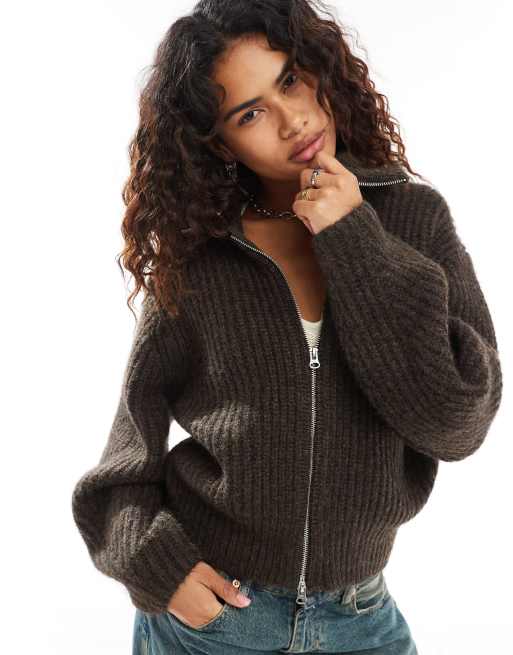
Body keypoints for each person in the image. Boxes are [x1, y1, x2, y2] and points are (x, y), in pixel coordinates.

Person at [71, 1, 503, 653]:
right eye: (250, 113)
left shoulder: (412, 220)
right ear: (220, 143)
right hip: (215, 622)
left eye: (291, 80)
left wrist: (353, 237)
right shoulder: (201, 257)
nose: (292, 118)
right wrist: (161, 570)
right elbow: (126, 458)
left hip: (360, 618)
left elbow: (456, 422)